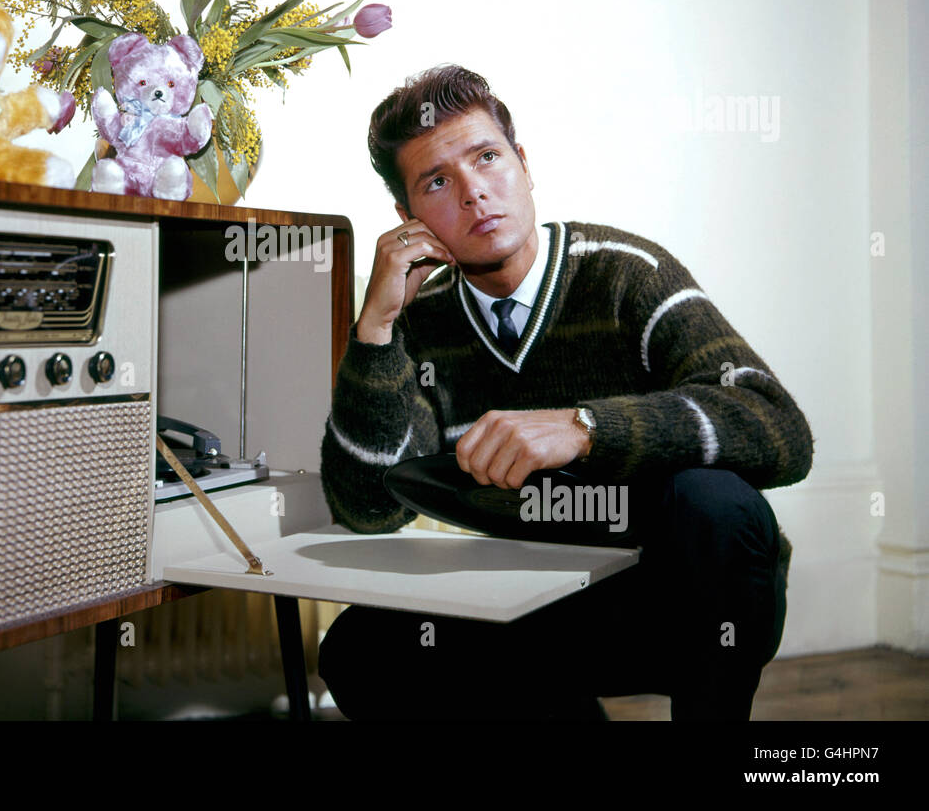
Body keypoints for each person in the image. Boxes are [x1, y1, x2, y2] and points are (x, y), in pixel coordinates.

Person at [316, 64, 814, 721]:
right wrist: (374, 329)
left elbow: (778, 427)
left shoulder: (626, 273)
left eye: (487, 159)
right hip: (534, 605)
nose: (473, 195)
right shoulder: (418, 319)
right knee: (359, 650)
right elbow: (367, 511)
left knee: (717, 502)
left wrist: (584, 426)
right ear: (409, 218)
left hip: (672, 598)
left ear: (522, 165)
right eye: (439, 182)